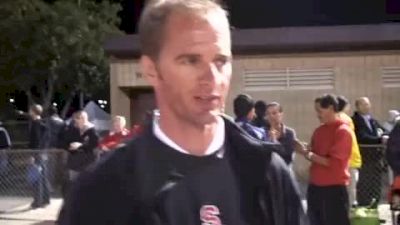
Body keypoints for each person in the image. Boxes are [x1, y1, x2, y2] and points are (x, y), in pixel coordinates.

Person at [58, 1, 307, 224]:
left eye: (220, 61)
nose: (212, 78)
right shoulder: (101, 190)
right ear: (151, 70)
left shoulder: (267, 173)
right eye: (191, 60)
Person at [296, 94, 352, 225]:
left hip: (333, 191)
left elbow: (332, 163)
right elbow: (311, 151)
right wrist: (296, 145)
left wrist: (309, 154)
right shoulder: (319, 131)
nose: (318, 115)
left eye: (320, 111)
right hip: (315, 188)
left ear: (331, 108)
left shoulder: (342, 131)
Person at [352, 97, 387, 206]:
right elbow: (362, 137)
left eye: (368, 104)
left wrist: (386, 136)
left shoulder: (372, 120)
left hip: (377, 158)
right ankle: (364, 209)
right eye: (364, 104)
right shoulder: (355, 120)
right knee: (365, 185)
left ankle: (374, 210)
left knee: (376, 186)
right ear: (358, 107)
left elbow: (384, 131)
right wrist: (379, 139)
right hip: (365, 158)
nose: (367, 107)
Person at [337, 96, 362, 207]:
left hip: (344, 159)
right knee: (351, 189)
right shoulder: (345, 119)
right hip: (350, 159)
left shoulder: (337, 118)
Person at [63, 111, 99, 182]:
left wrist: (80, 146)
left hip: (87, 162)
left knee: (85, 182)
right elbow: (66, 141)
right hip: (74, 162)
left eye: (77, 120)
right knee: (72, 182)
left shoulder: (92, 130)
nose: (75, 122)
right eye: (74, 120)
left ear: (83, 119)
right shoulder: (74, 129)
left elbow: (94, 145)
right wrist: (69, 146)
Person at [27, 104, 50, 208]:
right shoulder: (44, 123)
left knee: (37, 177)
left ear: (33, 111)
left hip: (37, 153)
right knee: (43, 176)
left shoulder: (35, 124)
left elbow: (35, 141)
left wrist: (32, 154)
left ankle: (38, 201)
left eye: (31, 110)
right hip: (43, 152)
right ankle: (46, 199)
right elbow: (45, 139)